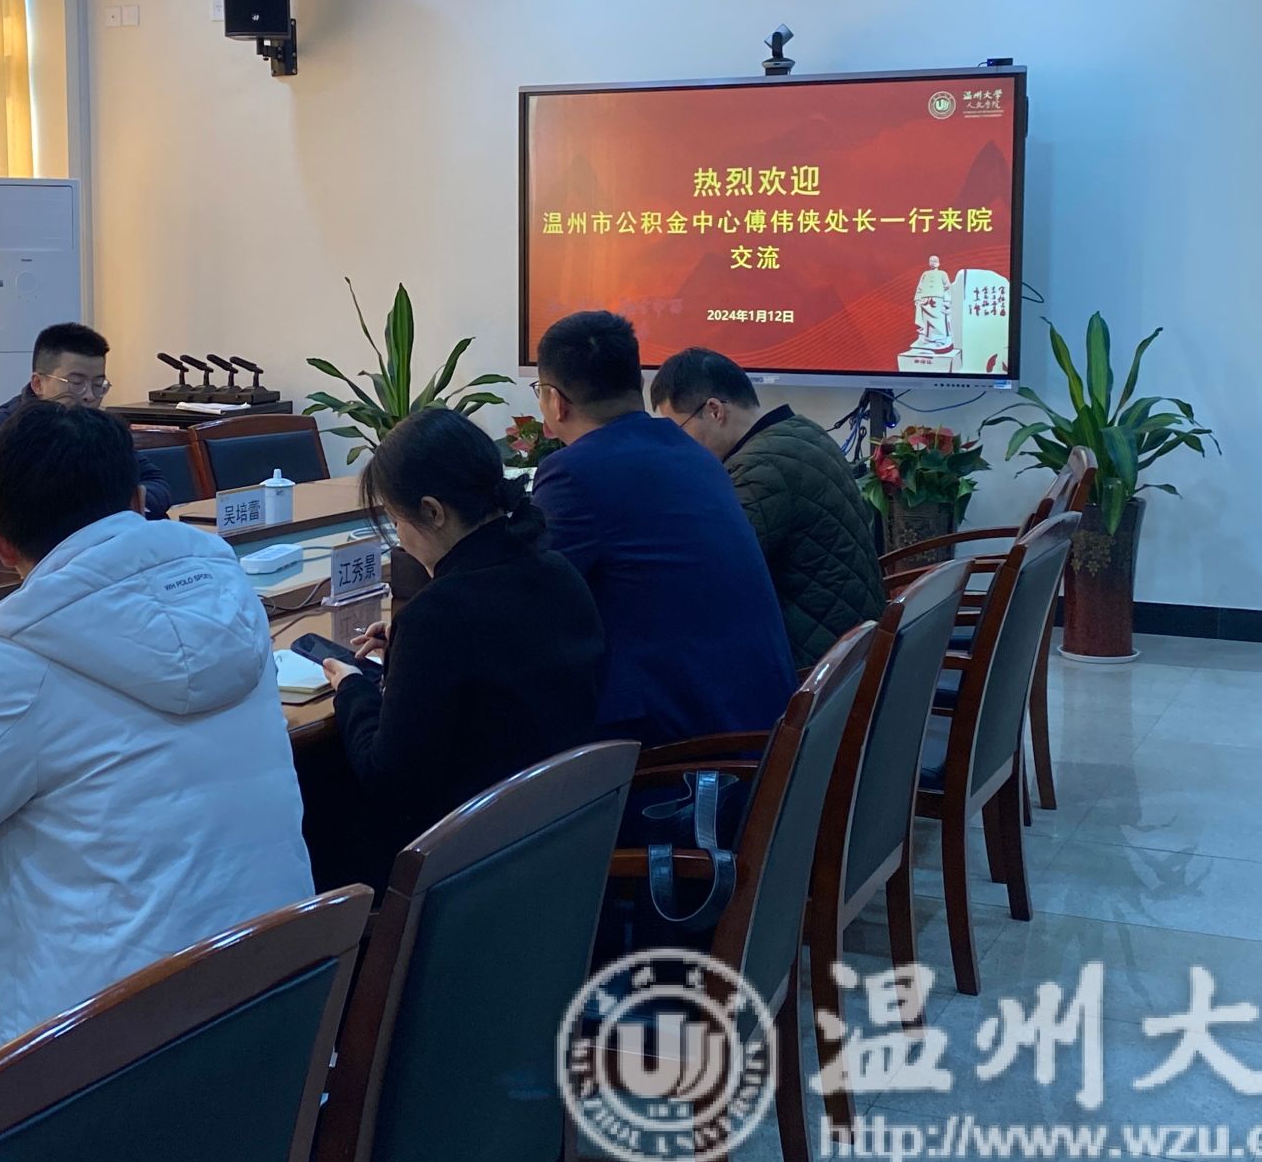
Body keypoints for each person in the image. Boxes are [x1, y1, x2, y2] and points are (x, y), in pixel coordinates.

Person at [0, 400, 315, 1074]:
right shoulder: (230, 595)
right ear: (138, 501)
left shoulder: (20, 665)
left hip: (94, 1068)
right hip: (272, 1012)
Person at [317, 407, 605, 884]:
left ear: (432, 512)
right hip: (555, 839)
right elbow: (499, 657)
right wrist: (406, 651)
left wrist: (352, 687)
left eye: (395, 520)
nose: (399, 538)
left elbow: (387, 778)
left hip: (464, 863)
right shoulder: (560, 574)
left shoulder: (437, 616)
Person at [529, 311, 796, 745]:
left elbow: (529, 601)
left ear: (555, 401)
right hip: (760, 722)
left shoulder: (575, 472)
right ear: (636, 384)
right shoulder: (694, 453)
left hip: (690, 752)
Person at [651, 347, 887, 672]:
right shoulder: (802, 431)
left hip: (814, 667)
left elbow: (708, 575)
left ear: (714, 410)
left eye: (678, 431)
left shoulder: (760, 467)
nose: (678, 447)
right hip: (849, 644)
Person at [0, 322, 170, 517]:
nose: (89, 396)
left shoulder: (101, 427)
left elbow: (156, 483)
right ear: (38, 383)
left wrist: (118, 506)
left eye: (98, 384)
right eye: (76, 383)